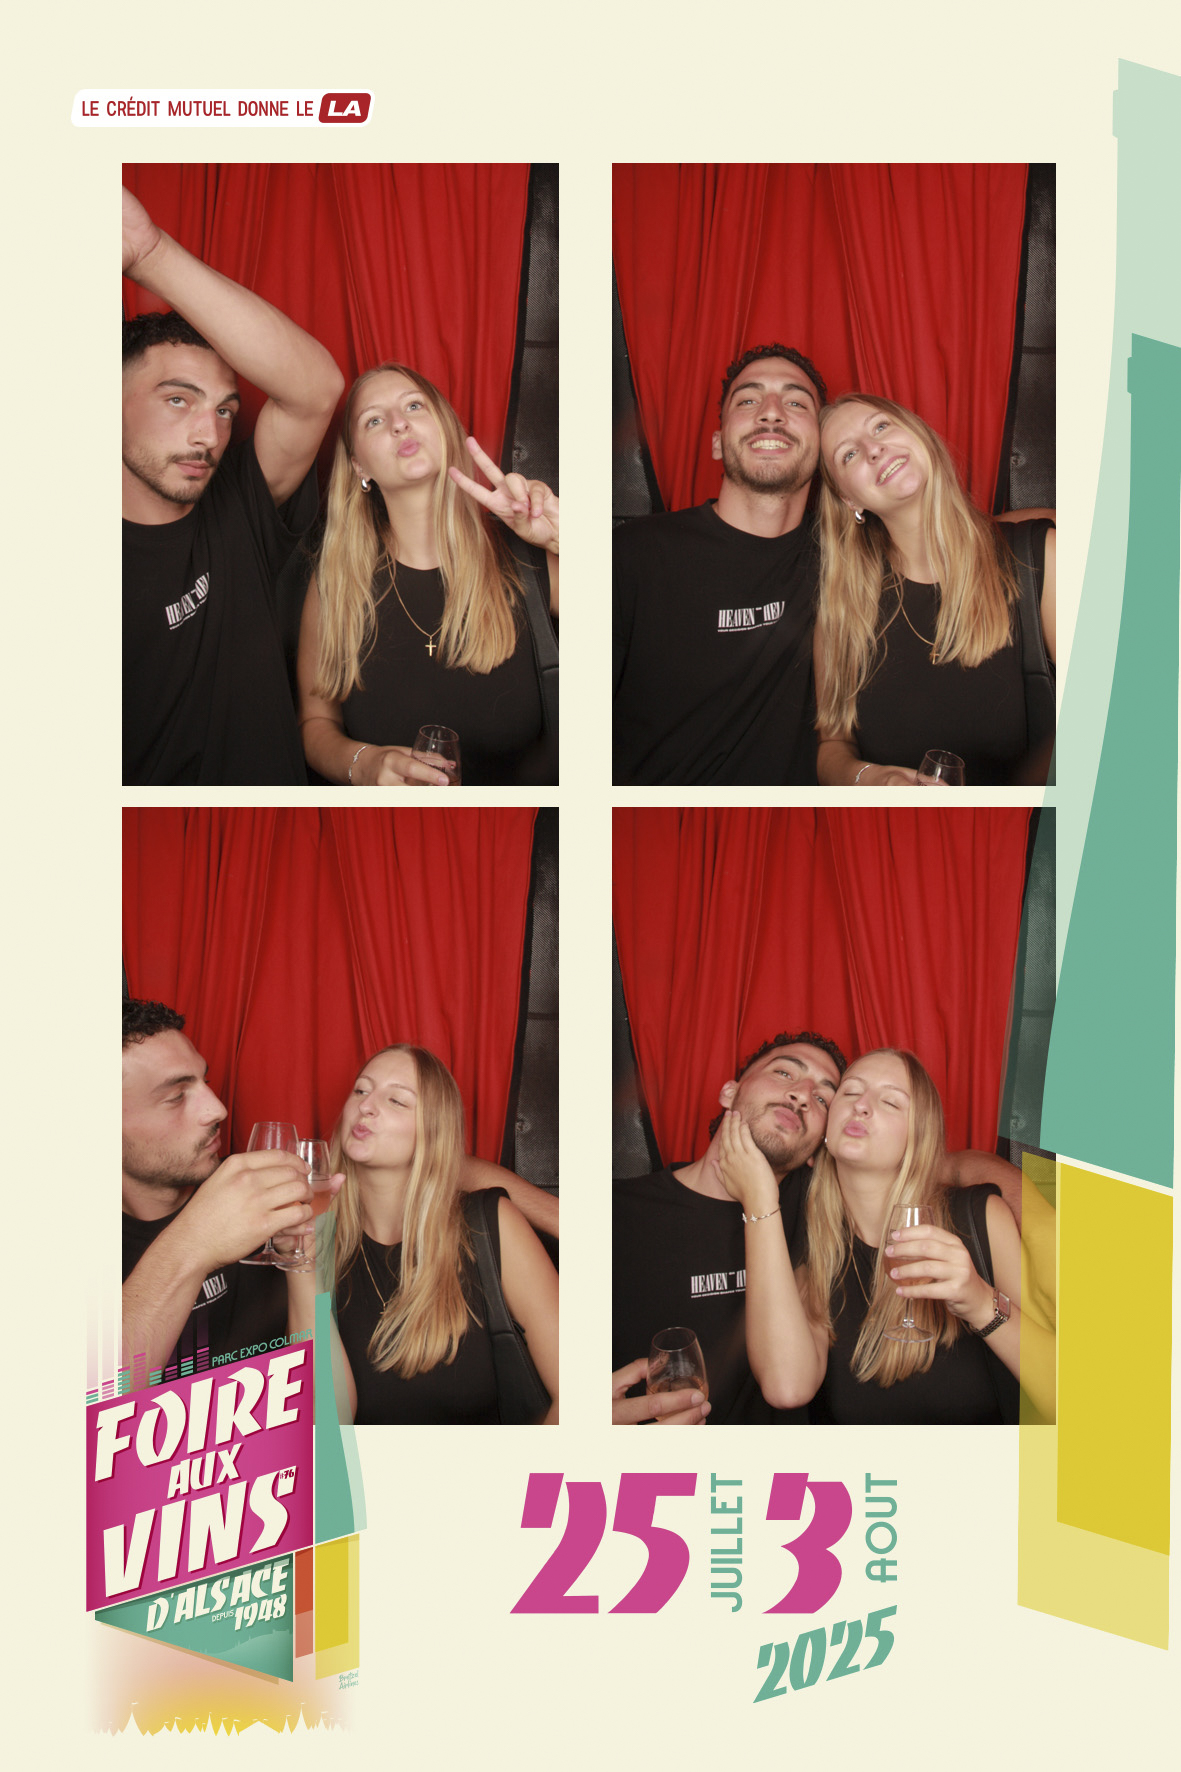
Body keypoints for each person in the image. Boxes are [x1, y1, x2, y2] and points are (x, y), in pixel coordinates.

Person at [122, 1001, 559, 1389]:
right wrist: (200, 1241)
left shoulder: (259, 1192)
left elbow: (440, 1163)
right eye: (176, 1096)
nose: (217, 1107)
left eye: (206, 1081)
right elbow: (96, 1406)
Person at [122, 185, 345, 786]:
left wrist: (150, 253)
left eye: (224, 410)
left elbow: (317, 389)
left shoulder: (236, 502)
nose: (209, 435)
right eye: (178, 399)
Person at [715, 1049, 1045, 1425]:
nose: (862, 1106)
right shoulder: (814, 1243)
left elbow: (1070, 1398)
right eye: (851, 1092)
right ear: (826, 1129)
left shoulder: (980, 1218)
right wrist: (759, 1199)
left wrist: (981, 1303)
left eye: (890, 1102)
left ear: (918, 1136)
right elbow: (786, 1387)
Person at [296, 364, 559, 786]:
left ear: (446, 430)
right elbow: (315, 723)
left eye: (414, 406)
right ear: (359, 466)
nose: (399, 424)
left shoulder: (527, 561)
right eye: (374, 420)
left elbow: (647, 630)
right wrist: (363, 764)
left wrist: (565, 539)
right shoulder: (334, 583)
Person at [285, 1046, 559, 1424]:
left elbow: (578, 1397)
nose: (366, 1106)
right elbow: (326, 1426)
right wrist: (300, 1261)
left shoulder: (492, 1223)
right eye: (361, 1090)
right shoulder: (316, 1236)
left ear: (433, 1130)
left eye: (397, 1100)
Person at [814, 394, 1057, 786]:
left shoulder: (1039, 557)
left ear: (919, 434)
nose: (873, 449)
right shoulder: (842, 608)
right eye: (849, 455)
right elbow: (833, 744)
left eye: (881, 426)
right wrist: (869, 778)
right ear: (848, 499)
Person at [613, 345, 827, 786]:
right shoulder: (634, 554)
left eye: (795, 403)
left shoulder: (849, 558)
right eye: (748, 401)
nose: (771, 413)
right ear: (717, 443)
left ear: (823, 444)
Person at [612, 1033, 847, 1425]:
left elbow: (788, 1386)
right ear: (729, 1092)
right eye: (784, 1073)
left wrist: (759, 1198)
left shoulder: (816, 1218)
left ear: (819, 1148)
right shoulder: (619, 1210)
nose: (803, 1095)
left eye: (823, 1098)